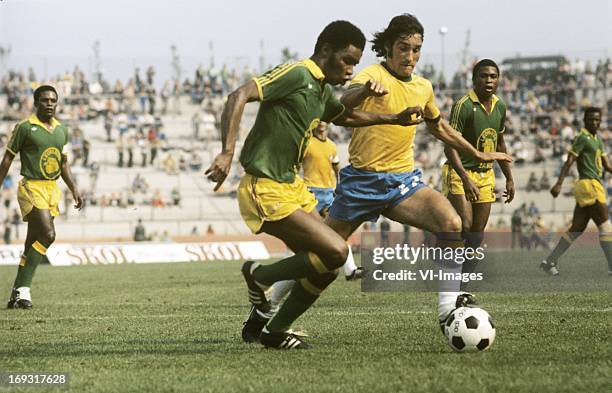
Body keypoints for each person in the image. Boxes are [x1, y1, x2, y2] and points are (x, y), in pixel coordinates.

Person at [206, 20, 425, 349]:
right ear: (325, 51)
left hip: (292, 188)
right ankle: (259, 276)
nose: (351, 70)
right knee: (337, 250)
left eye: (356, 63)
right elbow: (239, 95)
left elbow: (345, 116)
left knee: (326, 266)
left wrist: (392, 118)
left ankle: (273, 332)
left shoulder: (322, 90)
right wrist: (226, 152)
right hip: (264, 186)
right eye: (347, 60)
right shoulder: (298, 74)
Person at [322, 15, 511, 331]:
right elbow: (343, 106)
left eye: (416, 50)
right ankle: (268, 304)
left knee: (450, 223)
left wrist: (477, 153)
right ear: (388, 48)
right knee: (324, 254)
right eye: (403, 48)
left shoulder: (423, 87)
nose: (410, 56)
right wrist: (366, 89)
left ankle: (447, 311)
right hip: (362, 183)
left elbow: (438, 127)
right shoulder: (372, 74)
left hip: (402, 182)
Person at [0, 85, 83, 309]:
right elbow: (8, 159)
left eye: (53, 100)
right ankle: (24, 288)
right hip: (31, 186)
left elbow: (63, 163)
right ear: (36, 103)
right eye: (45, 100)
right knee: (48, 234)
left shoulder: (61, 130)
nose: (49, 104)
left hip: (51, 188)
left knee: (31, 244)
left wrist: (73, 188)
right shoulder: (25, 127)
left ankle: (17, 294)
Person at [441, 59, 514, 275]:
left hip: (486, 174)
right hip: (459, 171)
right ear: (474, 79)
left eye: (493, 76)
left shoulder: (500, 106)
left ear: (498, 80)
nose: (489, 80)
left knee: (477, 234)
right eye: (483, 76)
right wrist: (465, 178)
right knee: (464, 225)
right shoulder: (463, 106)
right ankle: (445, 266)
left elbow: (500, 143)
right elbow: (449, 146)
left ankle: (464, 282)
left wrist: (509, 177)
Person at [542, 107, 612, 275]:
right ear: (584, 121)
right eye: (591, 120)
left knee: (577, 228)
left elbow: (608, 166)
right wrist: (559, 183)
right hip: (589, 185)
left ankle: (549, 261)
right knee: (606, 227)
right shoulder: (582, 138)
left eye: (597, 120)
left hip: (592, 185)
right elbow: (569, 161)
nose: (594, 122)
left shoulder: (598, 140)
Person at [302, 121, 361, 280]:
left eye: (324, 120)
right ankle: (305, 266)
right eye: (318, 120)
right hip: (310, 191)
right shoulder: (306, 142)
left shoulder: (332, 146)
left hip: (329, 192)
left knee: (338, 229)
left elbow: (336, 168)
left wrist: (339, 187)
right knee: (314, 233)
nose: (321, 123)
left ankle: (350, 270)